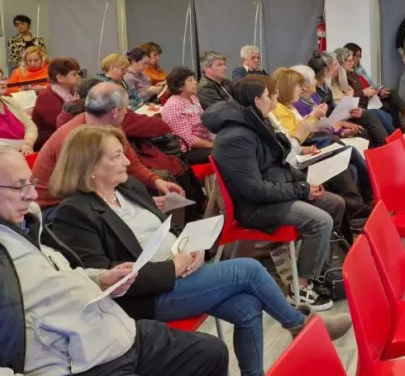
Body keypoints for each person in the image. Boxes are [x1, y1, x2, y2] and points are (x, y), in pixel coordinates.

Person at [50, 125, 351, 376]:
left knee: (247, 305)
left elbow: (163, 232)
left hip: (182, 272)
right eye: (117, 157)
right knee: (247, 268)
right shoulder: (75, 213)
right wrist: (173, 267)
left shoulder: (128, 189)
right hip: (146, 295)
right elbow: (106, 279)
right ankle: (299, 324)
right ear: (89, 166)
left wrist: (192, 249)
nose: (128, 163)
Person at [0, 140, 229, 376]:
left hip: (116, 332)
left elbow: (57, 276)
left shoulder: (22, 223)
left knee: (211, 352)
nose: (33, 195)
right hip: (81, 363)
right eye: (19, 187)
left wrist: (99, 278)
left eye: (31, 183)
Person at [204, 77, 346, 310]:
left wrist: (305, 183)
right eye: (272, 95)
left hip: (274, 193)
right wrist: (301, 190)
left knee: (334, 203)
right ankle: (299, 288)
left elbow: (279, 163)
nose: (276, 100)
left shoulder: (257, 123)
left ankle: (319, 273)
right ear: (258, 100)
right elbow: (254, 190)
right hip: (255, 207)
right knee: (320, 220)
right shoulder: (236, 138)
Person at [33, 82, 186, 215]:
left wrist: (157, 182)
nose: (127, 112)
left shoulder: (111, 127)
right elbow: (80, 191)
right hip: (58, 206)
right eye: (126, 107)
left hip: (88, 196)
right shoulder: (74, 139)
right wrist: (133, 204)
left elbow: (132, 165)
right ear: (115, 111)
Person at [268, 69, 374, 221]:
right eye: (298, 86)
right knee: (341, 156)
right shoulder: (280, 110)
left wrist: (313, 123)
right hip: (297, 157)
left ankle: (360, 202)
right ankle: (360, 202)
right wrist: (313, 119)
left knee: (344, 155)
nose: (301, 88)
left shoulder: (290, 107)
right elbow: (293, 138)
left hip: (304, 148)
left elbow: (297, 134)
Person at [308, 51, 390, 147]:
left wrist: (350, 112)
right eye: (334, 65)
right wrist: (344, 124)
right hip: (329, 127)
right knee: (366, 125)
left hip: (335, 121)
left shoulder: (326, 88)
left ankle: (387, 146)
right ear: (326, 70)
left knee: (368, 118)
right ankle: (388, 147)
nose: (338, 67)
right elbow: (322, 120)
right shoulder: (314, 93)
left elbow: (334, 110)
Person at [334, 46, 405, 131]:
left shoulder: (353, 74)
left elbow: (369, 84)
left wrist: (376, 92)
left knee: (391, 97)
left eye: (354, 59)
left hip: (368, 101)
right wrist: (364, 93)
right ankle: (398, 134)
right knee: (379, 113)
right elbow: (348, 99)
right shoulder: (340, 79)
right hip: (358, 108)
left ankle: (403, 125)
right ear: (341, 63)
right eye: (350, 60)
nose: (353, 63)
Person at [161, 66, 216, 165]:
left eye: (194, 79)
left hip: (202, 141)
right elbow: (189, 140)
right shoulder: (174, 106)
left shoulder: (193, 98)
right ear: (179, 85)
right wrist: (212, 145)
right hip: (187, 151)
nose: (195, 82)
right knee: (224, 152)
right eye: (190, 80)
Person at [344, 42, 405, 122]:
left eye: (360, 56)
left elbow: (370, 81)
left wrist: (380, 90)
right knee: (389, 106)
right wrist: (370, 93)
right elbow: (355, 93)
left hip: (372, 96)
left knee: (391, 93)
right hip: (364, 101)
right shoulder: (347, 74)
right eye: (357, 56)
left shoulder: (359, 68)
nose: (359, 59)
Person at [32, 56, 81, 149]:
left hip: (69, 136)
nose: (78, 77)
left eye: (78, 73)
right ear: (60, 77)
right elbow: (61, 125)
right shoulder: (46, 97)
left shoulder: (75, 91)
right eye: (74, 74)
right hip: (49, 143)